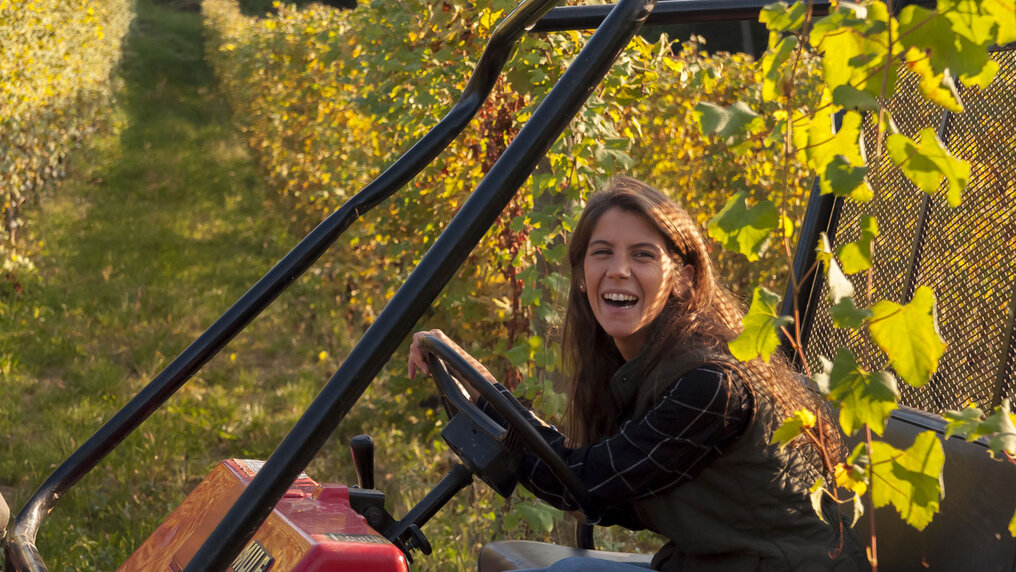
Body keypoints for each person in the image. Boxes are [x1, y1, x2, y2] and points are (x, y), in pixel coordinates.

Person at [408, 176, 867, 571]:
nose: (619, 270)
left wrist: (486, 390)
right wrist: (481, 396)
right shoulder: (647, 370)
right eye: (602, 253)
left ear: (683, 278)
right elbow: (616, 491)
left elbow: (584, 485)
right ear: (582, 275)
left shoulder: (710, 384)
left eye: (643, 256)